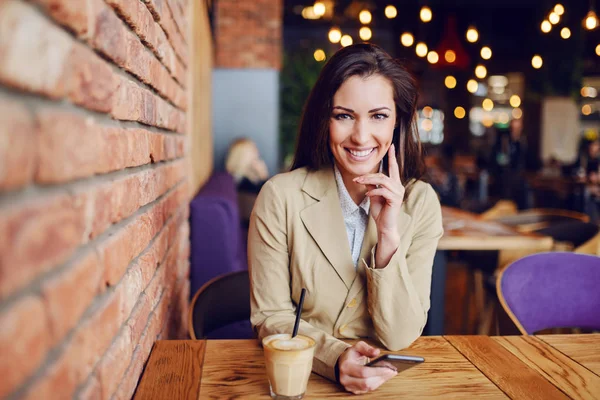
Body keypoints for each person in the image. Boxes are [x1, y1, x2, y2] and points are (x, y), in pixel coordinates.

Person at [248, 44, 443, 395]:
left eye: (379, 116)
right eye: (344, 115)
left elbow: (400, 336)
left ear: (397, 121)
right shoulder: (280, 197)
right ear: (325, 119)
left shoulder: (421, 202)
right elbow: (271, 315)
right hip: (300, 380)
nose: (361, 136)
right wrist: (335, 357)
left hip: (387, 385)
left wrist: (387, 238)